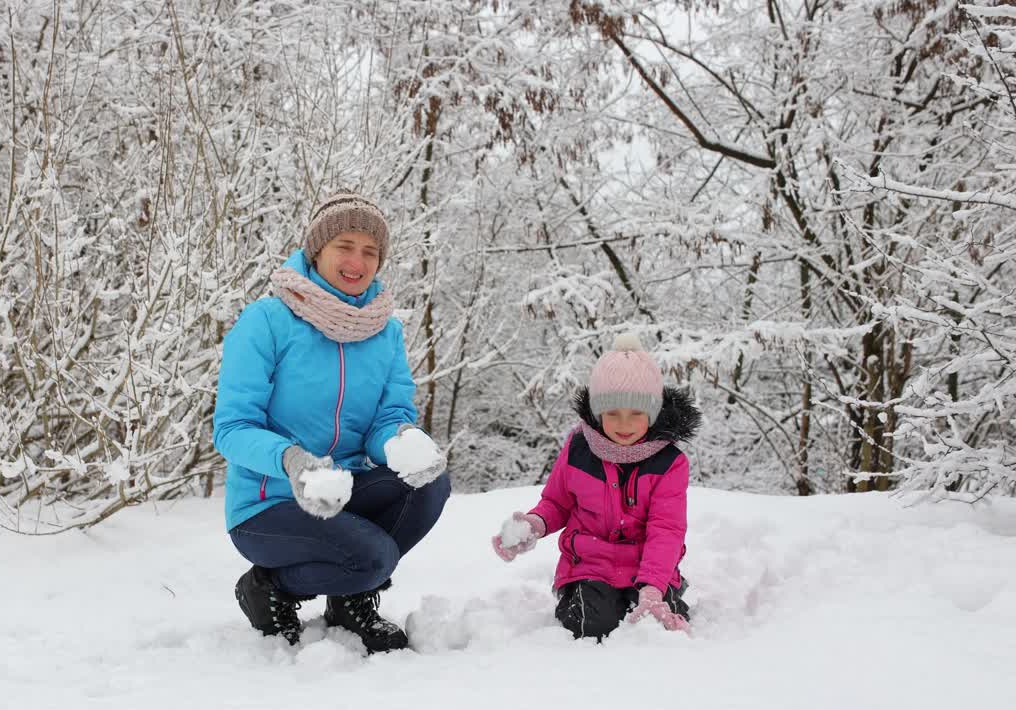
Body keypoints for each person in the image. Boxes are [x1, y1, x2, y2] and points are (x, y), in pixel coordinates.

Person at [213, 190, 451, 653]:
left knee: (430, 484)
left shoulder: (387, 331)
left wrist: (401, 441)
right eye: (344, 245)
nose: (357, 261)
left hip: (343, 490)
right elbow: (232, 428)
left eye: (370, 251)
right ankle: (269, 587)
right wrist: (293, 461)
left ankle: (349, 601)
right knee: (375, 556)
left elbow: (389, 416)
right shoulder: (267, 320)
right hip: (269, 504)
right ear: (316, 250)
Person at [492, 333, 701, 640]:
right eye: (613, 413)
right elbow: (557, 502)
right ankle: (583, 597)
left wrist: (654, 586)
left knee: (654, 622)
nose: (624, 424)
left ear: (652, 413)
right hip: (590, 564)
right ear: (598, 411)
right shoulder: (579, 449)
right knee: (590, 624)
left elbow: (665, 529)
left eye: (636, 414)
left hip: (647, 565)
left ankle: (662, 591)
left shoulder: (669, 463)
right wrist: (533, 525)